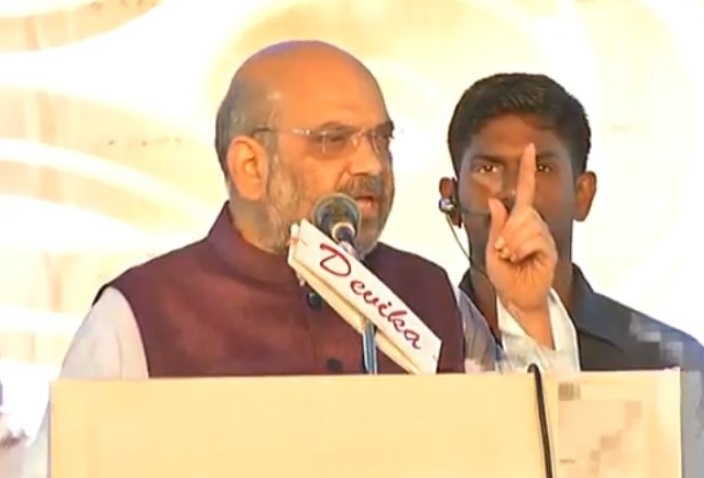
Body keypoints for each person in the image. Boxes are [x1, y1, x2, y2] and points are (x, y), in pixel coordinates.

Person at [17, 40, 472, 478]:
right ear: (250, 167)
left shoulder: (429, 292)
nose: (372, 165)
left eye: (381, 139)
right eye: (333, 140)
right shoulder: (141, 314)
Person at [441, 72, 703, 475]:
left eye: (541, 167)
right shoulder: (413, 352)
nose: (515, 191)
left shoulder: (668, 363)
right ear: (450, 199)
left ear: (583, 194)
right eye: (489, 168)